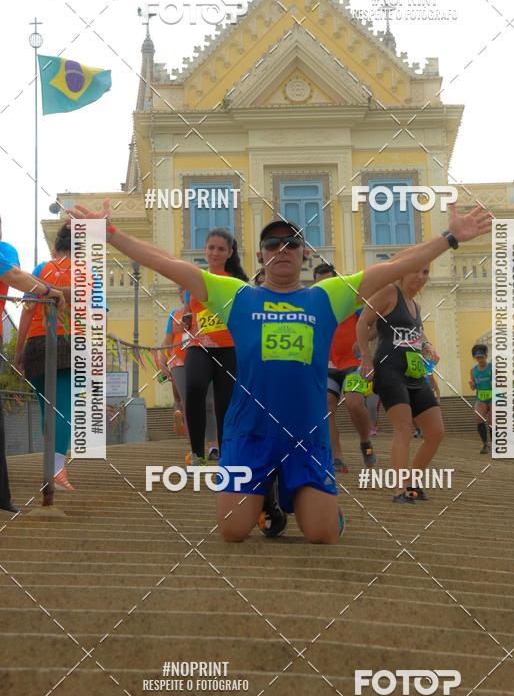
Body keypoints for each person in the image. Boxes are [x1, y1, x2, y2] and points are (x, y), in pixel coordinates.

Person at [65, 198, 492, 543]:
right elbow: (166, 263)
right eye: (273, 245)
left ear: (305, 254)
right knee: (233, 532)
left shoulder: (328, 297)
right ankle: (267, 495)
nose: (282, 250)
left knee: (323, 535)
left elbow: (398, 265)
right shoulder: (235, 295)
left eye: (292, 243)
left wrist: (451, 237)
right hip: (248, 434)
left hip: (307, 438)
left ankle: (308, 497)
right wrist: (114, 234)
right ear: (260, 256)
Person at [357, 267, 443, 504]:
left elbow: (417, 334)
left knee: (436, 432)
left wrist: (428, 346)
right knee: (403, 427)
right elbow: (363, 321)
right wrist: (365, 357)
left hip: (413, 371)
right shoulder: (389, 292)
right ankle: (398, 490)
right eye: (417, 270)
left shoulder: (415, 305)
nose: (421, 276)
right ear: (403, 273)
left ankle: (412, 482)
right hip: (388, 369)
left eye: (426, 272)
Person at [0, 234, 65, 513]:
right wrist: (50, 291)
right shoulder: (6, 252)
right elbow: (14, 275)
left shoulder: (12, 255)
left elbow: (17, 279)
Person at [15, 224, 75, 491]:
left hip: (36, 345)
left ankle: (52, 467)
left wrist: (19, 352)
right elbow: (99, 313)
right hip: (67, 342)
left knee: (45, 409)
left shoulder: (41, 270)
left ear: (56, 247)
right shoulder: (87, 273)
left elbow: (27, 311)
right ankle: (57, 470)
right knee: (62, 408)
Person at [184, 228, 248, 465]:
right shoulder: (197, 278)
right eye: (211, 247)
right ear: (205, 250)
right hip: (199, 345)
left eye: (221, 249)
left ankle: (226, 454)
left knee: (225, 402)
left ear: (230, 252)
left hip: (229, 347)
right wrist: (187, 319)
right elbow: (190, 310)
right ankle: (197, 453)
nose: (215, 252)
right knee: (194, 387)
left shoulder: (238, 283)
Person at [313, 262, 375, 473]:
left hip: (354, 364)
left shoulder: (352, 303)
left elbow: (374, 324)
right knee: (326, 407)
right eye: (321, 284)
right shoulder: (312, 307)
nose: (326, 287)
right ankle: (336, 456)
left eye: (330, 282)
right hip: (327, 366)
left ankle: (365, 440)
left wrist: (363, 344)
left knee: (354, 403)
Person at [159, 287, 189, 436]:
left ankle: (187, 425)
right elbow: (167, 340)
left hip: (197, 358)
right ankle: (179, 423)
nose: (180, 293)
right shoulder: (174, 315)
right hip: (176, 360)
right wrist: (162, 362)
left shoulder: (201, 312)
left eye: (183, 290)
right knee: (178, 395)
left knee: (189, 397)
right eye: (180, 290)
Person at [469, 343, 493, 454]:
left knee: (492, 421)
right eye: (477, 358)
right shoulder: (473, 370)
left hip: (493, 397)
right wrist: (472, 384)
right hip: (481, 398)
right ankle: (485, 444)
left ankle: (495, 444)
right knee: (478, 418)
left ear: (486, 356)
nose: (480, 360)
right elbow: (473, 388)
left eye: (482, 357)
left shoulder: (492, 367)